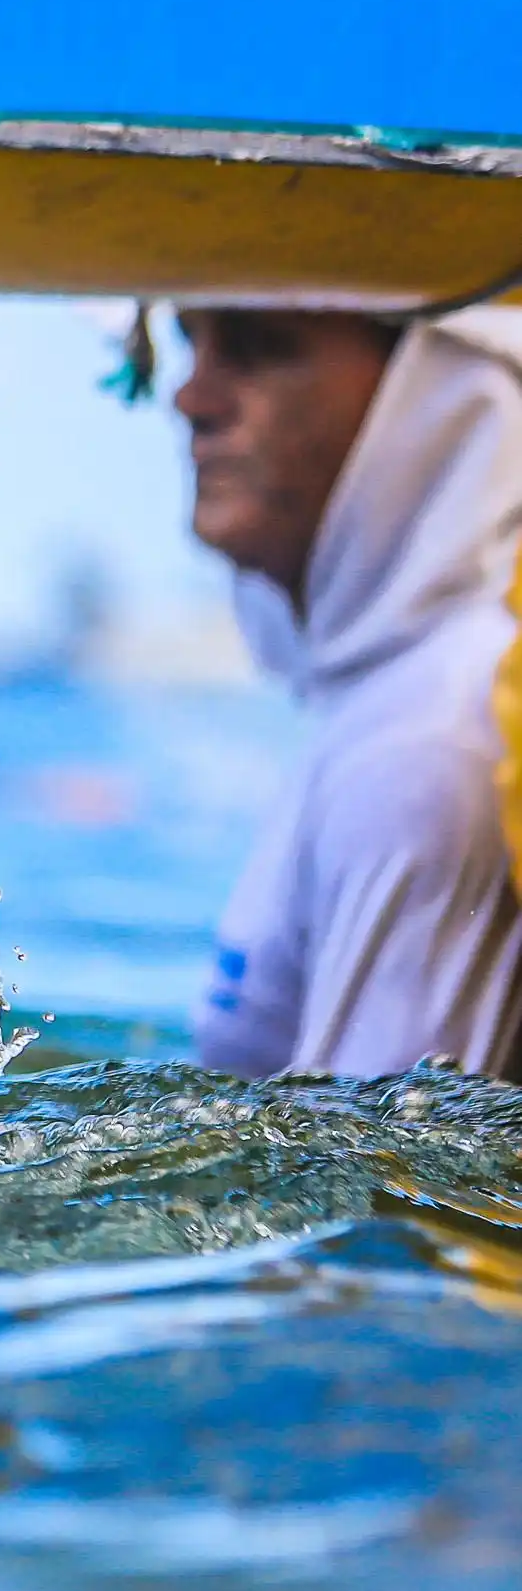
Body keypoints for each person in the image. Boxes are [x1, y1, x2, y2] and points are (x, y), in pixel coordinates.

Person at [171, 302, 522, 1078]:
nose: (191, 398)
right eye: (185, 342)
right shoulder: (393, 699)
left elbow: (394, 1191)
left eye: (261, 345)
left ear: (430, 393)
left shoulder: (427, 739)